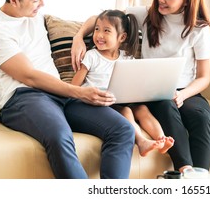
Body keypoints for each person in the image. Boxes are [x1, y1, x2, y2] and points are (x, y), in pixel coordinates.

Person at [0, 0, 135, 179]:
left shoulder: (34, 15)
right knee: (59, 135)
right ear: (14, 0)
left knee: (123, 130)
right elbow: (29, 77)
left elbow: (98, 19)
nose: (42, 4)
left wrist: (79, 37)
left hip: (59, 93)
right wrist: (79, 92)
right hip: (24, 97)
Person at [72, 0, 210, 173]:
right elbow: (103, 18)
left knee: (201, 117)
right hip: (154, 93)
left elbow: (204, 77)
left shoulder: (199, 29)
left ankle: (201, 179)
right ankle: (185, 170)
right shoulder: (146, 15)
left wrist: (183, 95)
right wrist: (78, 36)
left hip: (186, 91)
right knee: (166, 108)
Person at [71, 9, 174, 157]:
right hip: (97, 103)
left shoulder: (127, 58)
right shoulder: (91, 56)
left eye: (106, 31)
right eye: (97, 29)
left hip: (120, 100)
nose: (99, 35)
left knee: (142, 109)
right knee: (126, 112)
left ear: (122, 37)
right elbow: (74, 87)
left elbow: (135, 84)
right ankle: (142, 142)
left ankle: (161, 140)